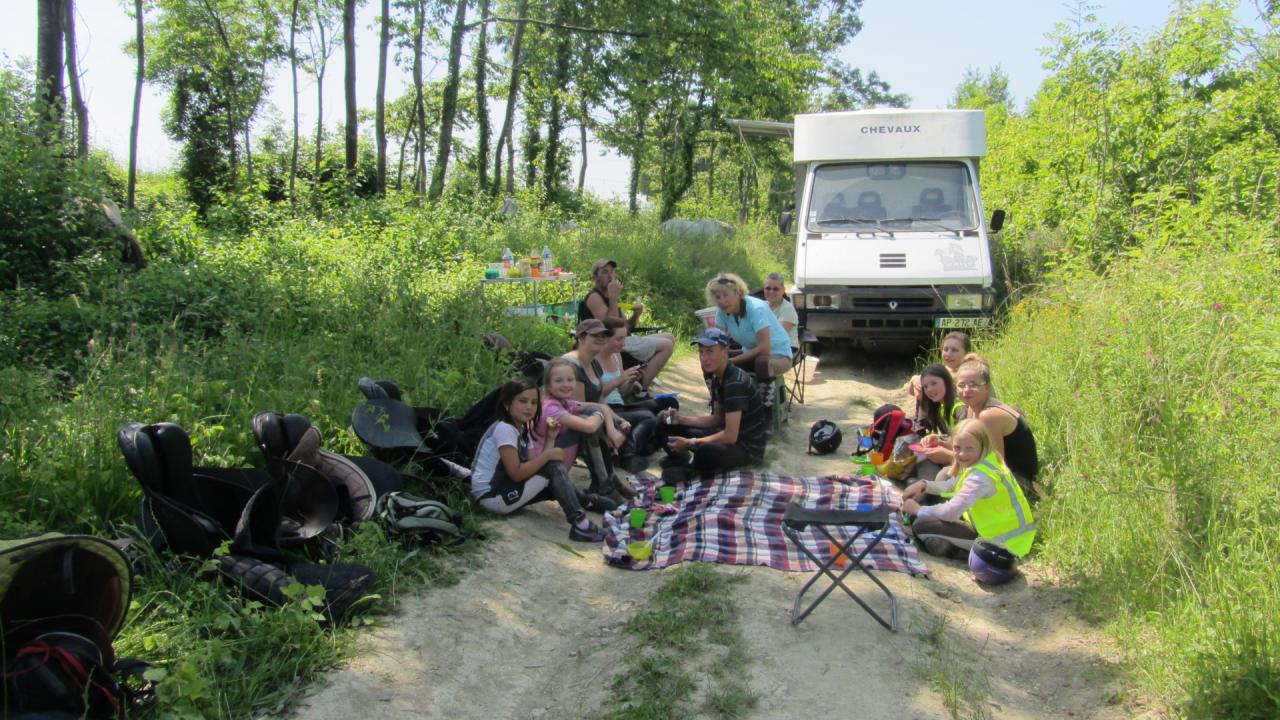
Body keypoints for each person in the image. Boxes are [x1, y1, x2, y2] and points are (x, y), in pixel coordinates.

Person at [468, 377, 611, 542]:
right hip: (492, 498)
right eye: (523, 401)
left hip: (504, 490)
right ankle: (581, 524)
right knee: (553, 467)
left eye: (534, 402)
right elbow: (517, 474)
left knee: (554, 477)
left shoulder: (522, 430)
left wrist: (550, 438)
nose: (529, 407)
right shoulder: (504, 429)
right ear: (507, 404)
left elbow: (535, 467)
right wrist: (548, 455)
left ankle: (588, 502)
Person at [900, 419, 1036, 563]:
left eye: (969, 448)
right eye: (957, 448)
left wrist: (918, 509)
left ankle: (959, 550)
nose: (962, 454)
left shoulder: (981, 477)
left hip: (1002, 542)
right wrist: (924, 485)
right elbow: (952, 484)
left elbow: (949, 513)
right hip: (1001, 532)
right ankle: (955, 544)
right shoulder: (986, 458)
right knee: (932, 507)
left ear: (982, 445)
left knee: (921, 525)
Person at [652, 328, 769, 481]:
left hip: (746, 447)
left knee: (705, 450)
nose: (704, 358)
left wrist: (691, 442)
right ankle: (683, 462)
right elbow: (716, 419)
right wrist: (680, 420)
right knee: (663, 421)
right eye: (701, 352)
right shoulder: (716, 377)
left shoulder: (735, 382)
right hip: (726, 435)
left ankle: (691, 469)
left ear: (725, 352)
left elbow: (730, 435)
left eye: (710, 352)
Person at [533, 358, 634, 501]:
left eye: (570, 380)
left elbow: (601, 406)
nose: (566, 385)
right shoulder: (550, 407)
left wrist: (617, 423)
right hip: (543, 469)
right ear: (548, 385)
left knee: (591, 413)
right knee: (586, 423)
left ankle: (608, 480)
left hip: (554, 460)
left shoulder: (565, 402)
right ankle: (604, 484)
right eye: (559, 381)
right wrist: (603, 419)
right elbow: (590, 426)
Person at [578, 259, 675, 394]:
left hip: (622, 338)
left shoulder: (611, 297)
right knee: (667, 345)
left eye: (612, 272)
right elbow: (610, 328)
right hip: (609, 341)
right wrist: (613, 298)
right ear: (595, 277)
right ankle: (643, 391)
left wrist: (636, 315)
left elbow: (626, 327)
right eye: (605, 272)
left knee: (669, 337)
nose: (610, 276)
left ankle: (638, 381)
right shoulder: (594, 297)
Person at [953, 360, 1039, 495]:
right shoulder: (972, 408)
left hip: (1016, 481)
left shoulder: (989, 416)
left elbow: (996, 464)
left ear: (987, 387)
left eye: (973, 385)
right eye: (961, 385)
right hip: (991, 472)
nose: (966, 390)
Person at [707, 272, 793, 405]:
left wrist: (731, 361)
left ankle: (765, 410)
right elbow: (718, 343)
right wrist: (715, 356)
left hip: (778, 355)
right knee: (709, 358)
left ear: (738, 293)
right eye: (718, 297)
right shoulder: (722, 312)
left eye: (726, 295)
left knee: (762, 362)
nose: (722, 301)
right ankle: (718, 402)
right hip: (749, 352)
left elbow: (765, 348)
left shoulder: (756, 308)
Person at [912, 363, 963, 481]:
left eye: (934, 383)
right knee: (921, 453)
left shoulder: (960, 409)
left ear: (946, 381)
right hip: (958, 455)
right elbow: (955, 442)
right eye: (925, 386)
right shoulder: (940, 407)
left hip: (967, 463)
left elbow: (970, 449)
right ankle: (924, 486)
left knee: (942, 475)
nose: (929, 389)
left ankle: (925, 491)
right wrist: (940, 441)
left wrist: (947, 454)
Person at [908, 331, 971, 402]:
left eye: (954, 350)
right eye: (946, 349)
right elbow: (912, 393)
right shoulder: (938, 370)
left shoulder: (971, 373)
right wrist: (914, 380)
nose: (948, 354)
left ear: (967, 353)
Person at [762, 272, 800, 354]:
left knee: (758, 360)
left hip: (787, 349)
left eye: (776, 289)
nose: (771, 292)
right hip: (766, 346)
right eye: (768, 288)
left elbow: (777, 335)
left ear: (783, 290)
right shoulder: (761, 306)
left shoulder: (788, 309)